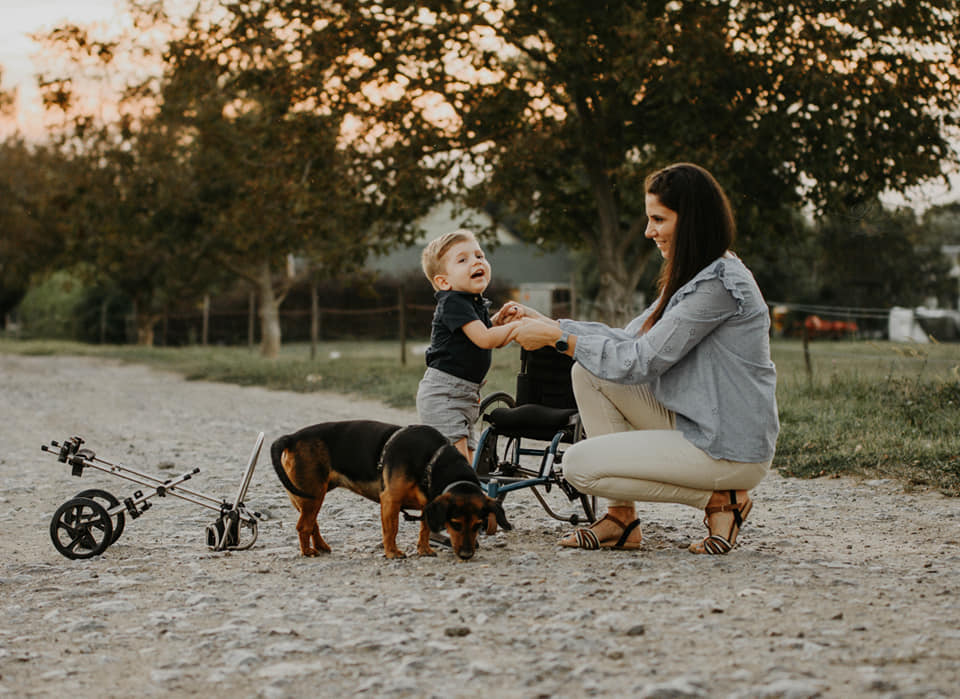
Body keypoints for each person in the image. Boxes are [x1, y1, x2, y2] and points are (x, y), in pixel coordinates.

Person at [499, 163, 779, 555]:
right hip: (700, 424)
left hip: (729, 448)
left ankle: (721, 500)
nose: (649, 231)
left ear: (692, 221)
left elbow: (639, 362)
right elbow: (629, 340)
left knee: (579, 465)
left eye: (658, 219)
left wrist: (556, 339)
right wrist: (549, 324)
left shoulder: (719, 285)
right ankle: (621, 519)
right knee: (590, 374)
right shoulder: (698, 277)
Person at [417, 230, 520, 462]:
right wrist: (517, 329)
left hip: (464, 395)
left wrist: (498, 322)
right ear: (444, 282)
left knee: (469, 464)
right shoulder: (453, 302)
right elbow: (484, 339)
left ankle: (467, 495)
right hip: (444, 395)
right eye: (463, 260)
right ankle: (452, 496)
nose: (476, 261)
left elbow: (478, 336)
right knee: (457, 464)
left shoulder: (471, 302)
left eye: (479, 256)